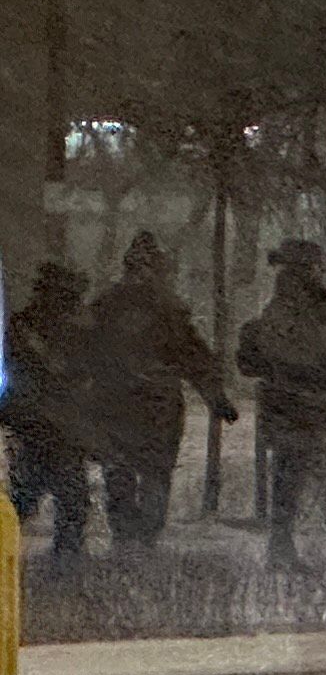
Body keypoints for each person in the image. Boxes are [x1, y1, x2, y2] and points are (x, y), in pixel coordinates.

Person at [82, 233, 237, 551]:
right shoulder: (169, 310)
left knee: (121, 471)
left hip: (117, 404)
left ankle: (127, 536)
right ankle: (144, 538)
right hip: (156, 407)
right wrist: (216, 397)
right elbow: (194, 357)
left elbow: (84, 354)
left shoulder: (105, 306)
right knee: (153, 472)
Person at [236, 238, 326, 570]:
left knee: (291, 475)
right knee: (290, 475)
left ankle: (282, 545)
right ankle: (281, 547)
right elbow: (302, 350)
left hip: (298, 403)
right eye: (314, 266)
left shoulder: (303, 304)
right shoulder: (295, 306)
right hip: (296, 403)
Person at [5, 258, 93, 565]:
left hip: (41, 426)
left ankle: (63, 561)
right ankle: (64, 562)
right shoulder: (33, 328)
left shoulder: (24, 326)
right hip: (48, 427)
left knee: (36, 499)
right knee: (63, 501)